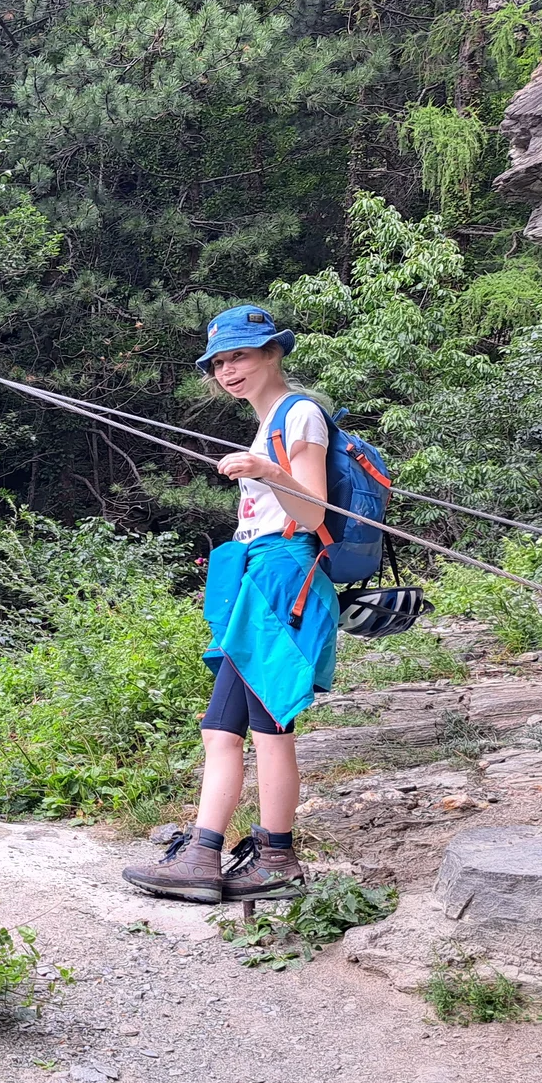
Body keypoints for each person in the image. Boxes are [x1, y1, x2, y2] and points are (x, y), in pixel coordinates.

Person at [123, 305, 339, 904]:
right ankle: (202, 855)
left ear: (273, 353)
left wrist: (268, 470)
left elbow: (314, 513)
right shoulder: (266, 422)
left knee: (271, 729)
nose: (227, 371)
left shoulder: (299, 414)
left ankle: (277, 859)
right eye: (218, 362)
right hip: (255, 576)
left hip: (284, 576)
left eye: (239, 355)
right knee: (220, 731)